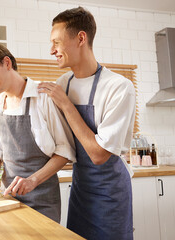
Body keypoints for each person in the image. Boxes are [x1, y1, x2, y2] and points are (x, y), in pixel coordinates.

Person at [38, 6, 136, 240]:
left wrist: (66, 105)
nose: (52, 50)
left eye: (57, 42)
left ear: (81, 38)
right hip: (81, 188)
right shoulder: (64, 82)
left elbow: (99, 154)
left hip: (110, 190)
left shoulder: (118, 87)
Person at [0, 44, 75, 222]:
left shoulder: (42, 97)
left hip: (43, 201)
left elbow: (64, 151)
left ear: (7, 63)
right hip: (8, 199)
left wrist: (32, 180)